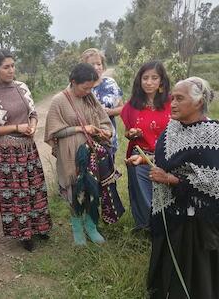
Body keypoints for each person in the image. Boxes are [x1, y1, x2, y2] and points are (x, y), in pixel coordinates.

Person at [147, 77, 219, 298]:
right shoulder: (172, 128)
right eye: (172, 98)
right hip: (168, 210)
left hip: (195, 220)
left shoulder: (213, 134)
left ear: (198, 102)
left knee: (192, 271)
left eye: (179, 98)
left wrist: (173, 180)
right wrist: (146, 160)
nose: (173, 104)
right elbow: (167, 160)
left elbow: (215, 181)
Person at [0, 49, 52, 252]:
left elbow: (33, 113)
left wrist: (33, 125)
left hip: (28, 148)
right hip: (7, 155)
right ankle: (24, 234)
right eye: (6, 67)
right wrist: (16, 127)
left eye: (13, 65)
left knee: (35, 188)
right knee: (17, 193)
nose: (11, 70)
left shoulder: (21, 87)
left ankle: (40, 227)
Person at [45, 63, 124, 246]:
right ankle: (77, 230)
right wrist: (81, 128)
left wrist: (106, 131)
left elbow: (104, 120)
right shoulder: (59, 100)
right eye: (85, 87)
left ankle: (91, 226)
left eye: (91, 88)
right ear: (73, 82)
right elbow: (53, 131)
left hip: (92, 154)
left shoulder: (89, 98)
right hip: (70, 154)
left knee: (92, 188)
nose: (88, 91)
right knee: (75, 190)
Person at [121, 61, 171, 231]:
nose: (149, 82)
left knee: (166, 190)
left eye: (154, 78)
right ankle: (146, 225)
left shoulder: (171, 103)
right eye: (145, 78)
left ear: (161, 82)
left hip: (167, 154)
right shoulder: (132, 105)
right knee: (142, 192)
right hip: (139, 153)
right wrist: (131, 134)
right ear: (139, 81)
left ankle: (166, 223)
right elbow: (127, 132)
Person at [81, 48, 124, 159]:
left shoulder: (110, 84)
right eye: (92, 64)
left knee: (108, 172)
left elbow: (122, 108)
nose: (96, 67)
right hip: (86, 140)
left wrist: (109, 112)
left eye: (98, 64)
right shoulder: (80, 87)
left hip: (108, 138)